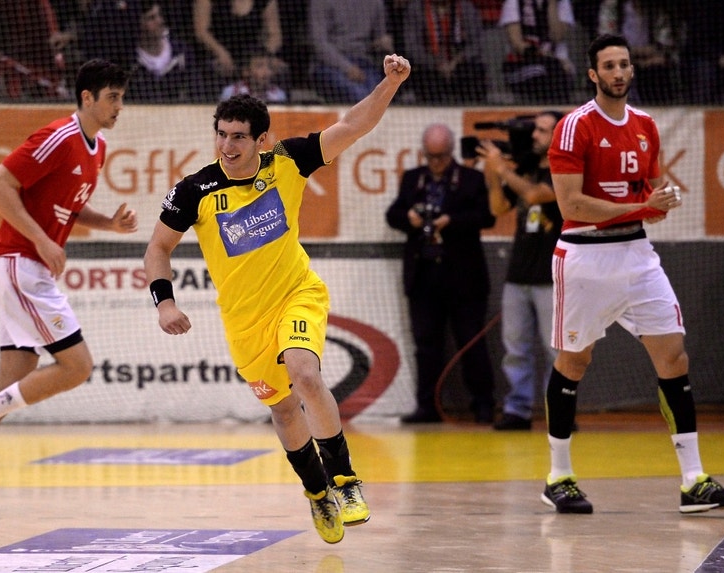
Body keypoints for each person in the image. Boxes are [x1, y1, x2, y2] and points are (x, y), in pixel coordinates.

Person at [143, 54, 410, 543]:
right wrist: (165, 302)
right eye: (222, 135)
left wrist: (390, 83)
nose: (227, 146)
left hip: (296, 293)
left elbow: (353, 125)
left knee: (305, 374)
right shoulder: (194, 190)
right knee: (284, 410)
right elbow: (158, 249)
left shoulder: (288, 160)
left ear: (261, 139)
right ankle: (317, 491)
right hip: (245, 320)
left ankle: (345, 480)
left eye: (238, 137)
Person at [0, 59, 136, 509]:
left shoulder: (98, 147)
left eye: (122, 98)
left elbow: (68, 207)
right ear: (87, 97)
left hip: (26, 265)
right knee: (77, 367)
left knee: (15, 374)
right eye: (112, 97)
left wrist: (109, 224)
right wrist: (41, 241)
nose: (119, 106)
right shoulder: (59, 136)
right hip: (18, 261)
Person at [542, 33, 724, 514]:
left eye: (624, 64)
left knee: (673, 356)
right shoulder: (574, 127)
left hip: (636, 254)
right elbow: (571, 206)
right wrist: (641, 205)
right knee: (574, 362)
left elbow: (654, 191)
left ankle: (693, 481)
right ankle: (558, 477)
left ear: (632, 70)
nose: (618, 72)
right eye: (609, 66)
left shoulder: (645, 125)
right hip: (585, 257)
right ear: (593, 74)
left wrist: (663, 200)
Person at [386, 124, 496, 424]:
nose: (436, 163)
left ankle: (483, 404)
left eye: (442, 156)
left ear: (451, 152)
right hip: (423, 275)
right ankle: (427, 406)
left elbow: (486, 217)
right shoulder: (413, 179)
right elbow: (393, 214)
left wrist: (451, 221)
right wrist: (409, 218)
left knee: (471, 342)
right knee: (426, 345)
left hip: (464, 277)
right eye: (431, 156)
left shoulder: (471, 179)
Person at [477, 111, 564, 431]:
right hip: (519, 273)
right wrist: (493, 175)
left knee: (556, 350)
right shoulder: (526, 168)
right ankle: (518, 410)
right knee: (515, 349)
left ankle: (560, 411)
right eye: (535, 129)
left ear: (558, 135)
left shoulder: (565, 170)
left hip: (553, 275)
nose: (534, 135)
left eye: (542, 130)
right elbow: (499, 207)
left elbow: (535, 194)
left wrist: (503, 169)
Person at [193, 0, 286, 102]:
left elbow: (275, 36)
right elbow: (202, 32)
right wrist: (221, 53)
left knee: (279, 67)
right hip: (220, 55)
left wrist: (265, 58)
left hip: (253, 56)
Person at [597, 0, 685, 105]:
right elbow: (606, 41)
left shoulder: (657, 11)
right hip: (621, 60)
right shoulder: (613, 8)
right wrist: (633, 55)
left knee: (657, 70)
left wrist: (648, 58)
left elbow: (664, 45)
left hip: (650, 62)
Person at [401, 0, 488, 104]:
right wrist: (436, 63)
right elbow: (412, 47)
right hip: (429, 67)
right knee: (422, 76)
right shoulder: (416, 9)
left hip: (461, 66)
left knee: (475, 71)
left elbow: (477, 44)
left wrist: (455, 61)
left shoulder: (466, 8)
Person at [308, 0, 394, 103]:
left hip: (365, 64)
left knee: (381, 97)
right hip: (330, 65)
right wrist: (347, 68)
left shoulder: (375, 2)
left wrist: (382, 44)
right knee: (362, 98)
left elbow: (379, 38)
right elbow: (319, 44)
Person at [498, 0, 576, 104]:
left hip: (558, 67)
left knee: (558, 72)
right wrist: (544, 55)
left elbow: (557, 36)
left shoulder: (562, 3)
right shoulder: (513, 2)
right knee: (543, 72)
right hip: (521, 64)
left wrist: (551, 4)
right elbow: (517, 44)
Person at [127, 2, 196, 103]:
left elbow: (195, 91)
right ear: (138, 23)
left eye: (159, 15)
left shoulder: (181, 53)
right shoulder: (130, 61)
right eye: (151, 18)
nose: (160, 21)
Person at [220, 50, 288, 103]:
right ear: (246, 71)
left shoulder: (279, 95)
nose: (266, 72)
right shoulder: (231, 92)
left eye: (269, 66)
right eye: (259, 66)